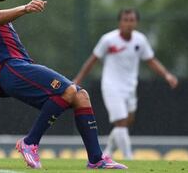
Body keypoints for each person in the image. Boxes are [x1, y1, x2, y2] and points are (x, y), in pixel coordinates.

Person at [0, 0, 127, 170]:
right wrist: (24, 8)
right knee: (69, 90)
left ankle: (96, 158)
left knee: (80, 96)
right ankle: (30, 142)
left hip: (21, 67)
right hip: (12, 69)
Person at [73, 8, 179, 160]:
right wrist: (78, 79)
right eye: (125, 20)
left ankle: (108, 151)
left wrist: (167, 75)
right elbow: (92, 60)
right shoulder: (108, 40)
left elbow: (151, 60)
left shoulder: (140, 40)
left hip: (130, 87)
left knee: (127, 121)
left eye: (132, 20)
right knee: (121, 121)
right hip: (111, 86)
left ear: (136, 22)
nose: (128, 23)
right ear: (120, 22)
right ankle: (129, 157)